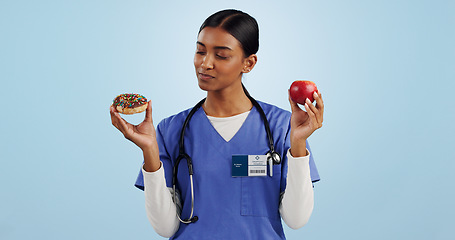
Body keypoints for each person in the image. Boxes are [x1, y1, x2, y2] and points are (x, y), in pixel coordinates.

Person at [110, 9, 324, 240]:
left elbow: (296, 220)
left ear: (248, 63)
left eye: (221, 55)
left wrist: (299, 143)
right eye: (200, 51)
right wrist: (149, 150)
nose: (205, 63)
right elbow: (166, 228)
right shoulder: (170, 130)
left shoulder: (283, 127)